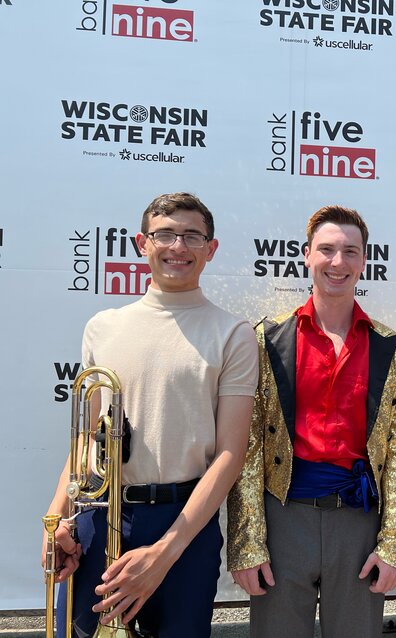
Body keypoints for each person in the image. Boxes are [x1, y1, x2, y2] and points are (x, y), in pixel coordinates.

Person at [42, 192, 259, 636]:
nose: (178, 246)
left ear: (210, 249)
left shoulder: (233, 334)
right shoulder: (102, 327)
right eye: (165, 234)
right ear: (142, 243)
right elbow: (87, 438)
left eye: (192, 236)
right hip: (99, 519)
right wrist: (55, 519)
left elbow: (230, 456)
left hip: (184, 527)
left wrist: (164, 552)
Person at [227, 205, 396, 637]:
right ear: (307, 255)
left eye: (351, 251)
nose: (338, 262)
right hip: (283, 517)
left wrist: (393, 546)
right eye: (327, 249)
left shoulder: (392, 348)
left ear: (365, 260)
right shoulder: (268, 339)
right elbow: (249, 443)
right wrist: (247, 541)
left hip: (358, 522)